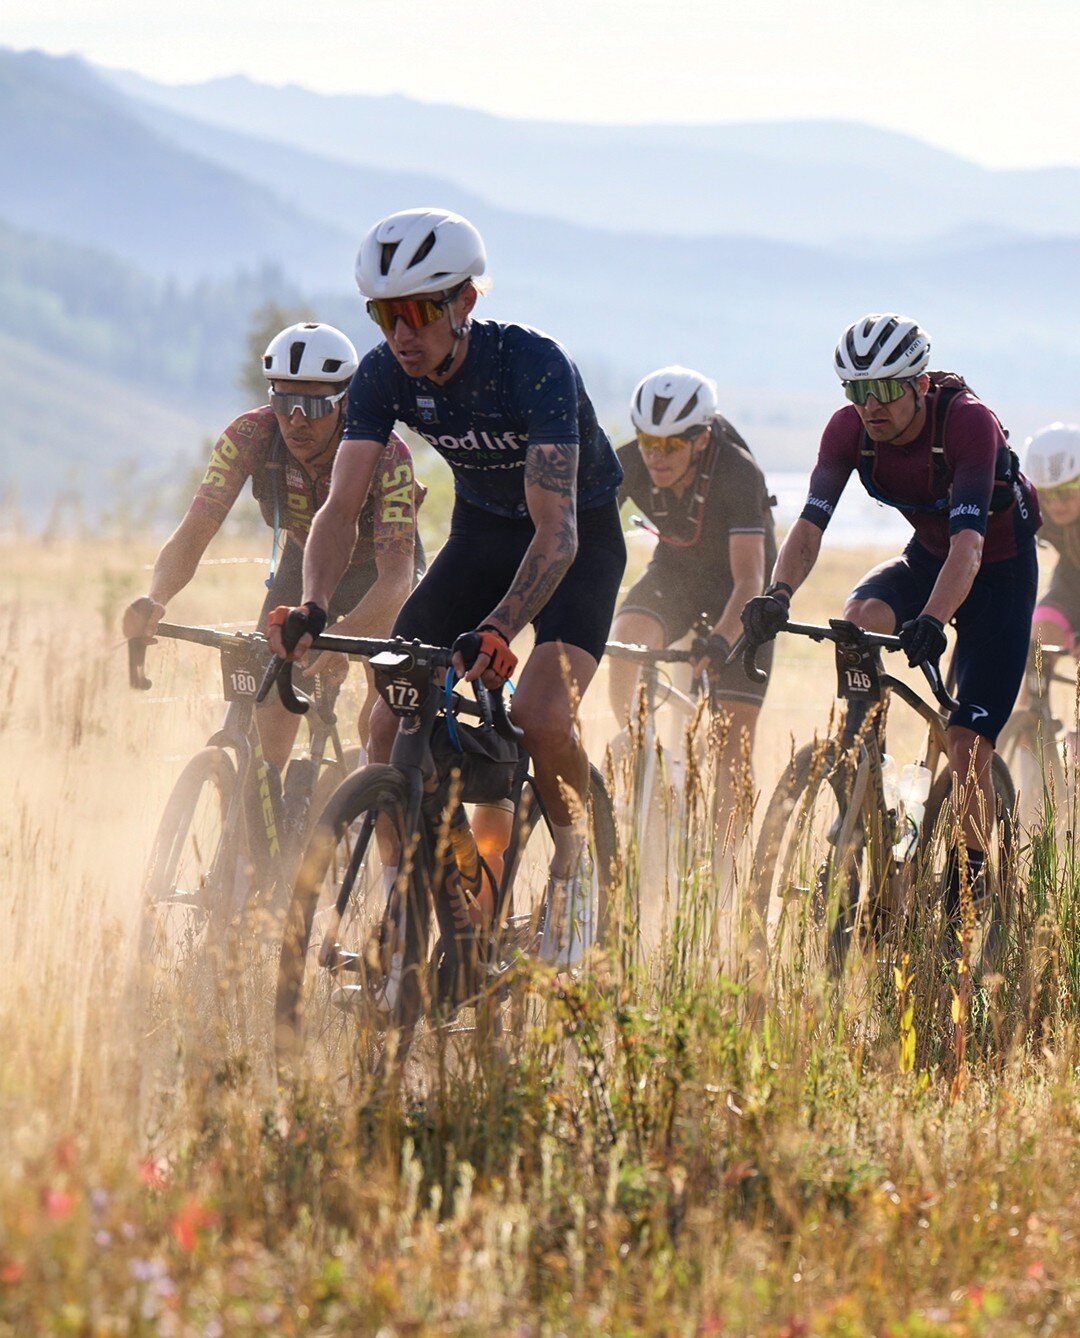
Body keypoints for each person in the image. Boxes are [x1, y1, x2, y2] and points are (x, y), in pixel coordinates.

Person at [266, 207, 626, 965]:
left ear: (464, 302)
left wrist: (498, 628)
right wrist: (314, 605)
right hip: (480, 539)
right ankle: (423, 907)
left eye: (420, 311)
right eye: (384, 313)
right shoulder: (382, 375)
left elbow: (556, 532)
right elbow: (340, 505)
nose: (402, 333)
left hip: (574, 540)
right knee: (383, 721)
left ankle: (573, 868)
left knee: (542, 713)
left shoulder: (535, 365)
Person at [741, 313, 1040, 927]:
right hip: (929, 558)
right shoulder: (849, 430)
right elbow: (811, 522)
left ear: (919, 383)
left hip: (998, 572)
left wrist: (932, 620)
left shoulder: (968, 423)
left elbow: (971, 549)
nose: (867, 405)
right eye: (855, 390)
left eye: (881, 389)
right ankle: (862, 772)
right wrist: (777, 594)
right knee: (858, 618)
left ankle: (967, 898)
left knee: (966, 746)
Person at [122, 321, 422, 765]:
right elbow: (194, 532)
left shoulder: (386, 452)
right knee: (272, 697)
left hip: (377, 573)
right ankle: (269, 822)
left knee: (381, 713)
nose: (296, 421)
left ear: (345, 402)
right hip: (306, 563)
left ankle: (368, 802)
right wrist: (155, 597)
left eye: (313, 406)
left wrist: (340, 637)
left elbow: (397, 580)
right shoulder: (249, 436)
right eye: (284, 402)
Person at [610, 365, 776, 846]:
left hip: (742, 591)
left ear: (700, 440)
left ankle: (725, 874)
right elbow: (583, 541)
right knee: (625, 644)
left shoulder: (738, 471)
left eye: (670, 446)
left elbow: (749, 579)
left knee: (729, 747)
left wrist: (723, 639)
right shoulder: (630, 462)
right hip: (676, 573)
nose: (655, 456)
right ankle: (644, 761)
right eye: (647, 441)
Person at [1020, 423, 1080, 668]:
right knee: (1041, 632)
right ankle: (1033, 706)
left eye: (1065, 493)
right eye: (1047, 494)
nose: (1056, 504)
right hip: (1071, 578)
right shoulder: (1034, 507)